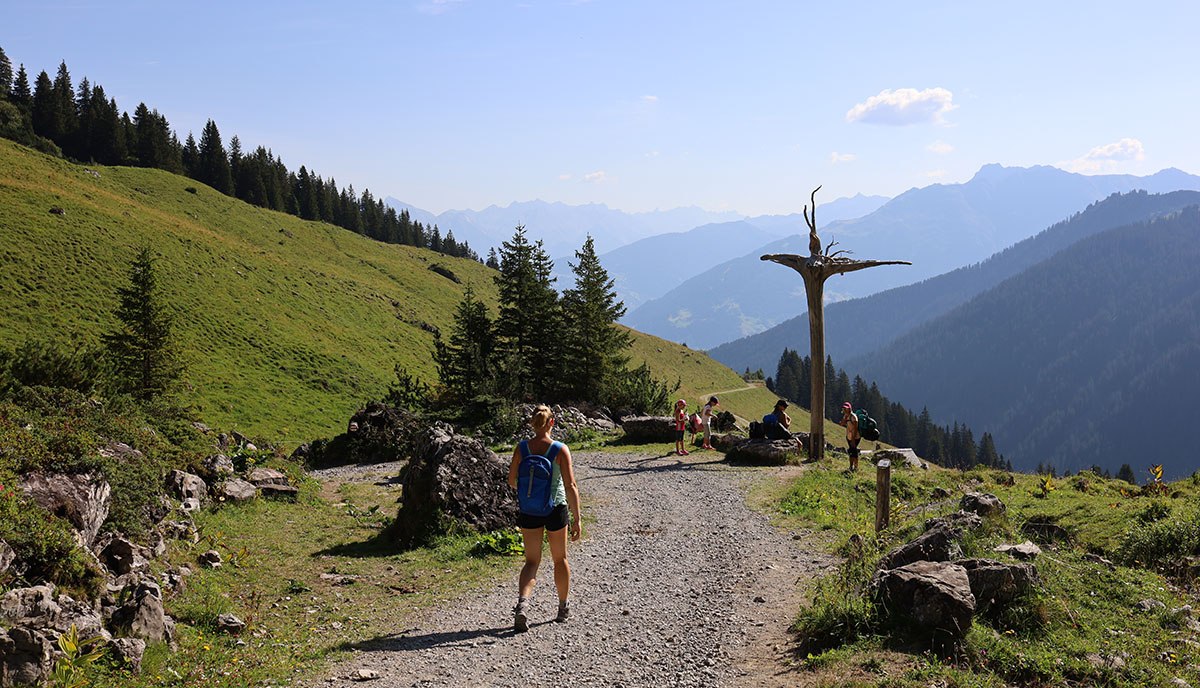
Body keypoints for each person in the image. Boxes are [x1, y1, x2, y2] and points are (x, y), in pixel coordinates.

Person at [507, 405, 582, 632]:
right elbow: (570, 485)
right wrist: (577, 518)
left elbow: (512, 480)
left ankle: (522, 605)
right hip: (555, 508)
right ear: (552, 423)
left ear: (532, 423)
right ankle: (562, 608)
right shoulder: (560, 449)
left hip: (530, 510)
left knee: (531, 561)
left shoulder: (521, 448)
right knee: (560, 559)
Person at [839, 402, 860, 471]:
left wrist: (853, 439)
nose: (844, 410)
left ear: (849, 409)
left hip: (855, 437)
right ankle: (851, 466)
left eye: (846, 408)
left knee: (854, 452)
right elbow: (841, 424)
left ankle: (856, 467)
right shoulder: (846, 416)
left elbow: (855, 429)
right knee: (851, 451)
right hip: (849, 437)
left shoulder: (853, 417)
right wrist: (844, 419)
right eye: (844, 408)